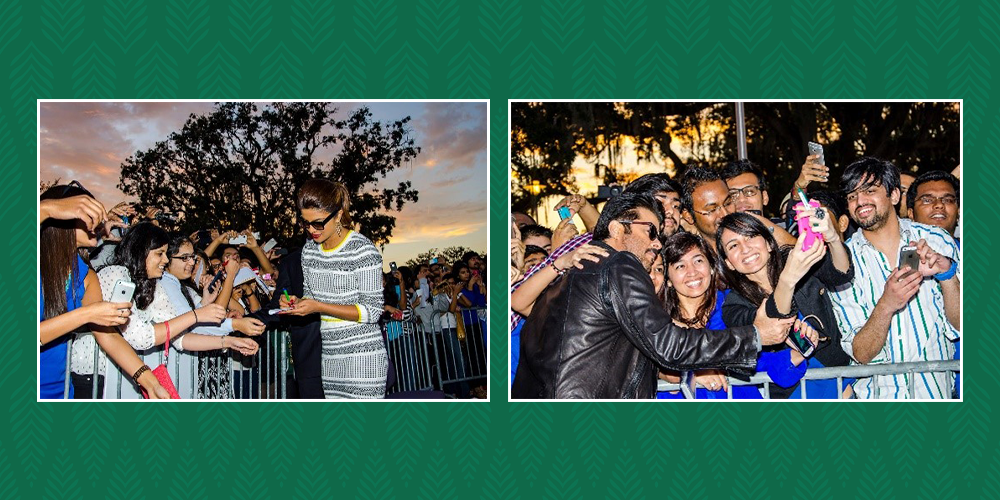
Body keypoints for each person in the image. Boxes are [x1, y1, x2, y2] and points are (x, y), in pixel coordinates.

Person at [511, 192, 794, 399]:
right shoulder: (619, 264)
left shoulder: (579, 274)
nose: (657, 242)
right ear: (617, 229)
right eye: (650, 231)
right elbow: (668, 347)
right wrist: (756, 335)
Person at [830, 158, 960, 399]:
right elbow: (861, 353)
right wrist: (886, 305)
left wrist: (947, 274)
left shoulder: (937, 240)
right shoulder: (841, 263)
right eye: (851, 196)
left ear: (894, 196)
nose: (860, 202)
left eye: (870, 191)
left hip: (935, 395)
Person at [93, 223, 258, 399]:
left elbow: (181, 338)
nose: (165, 260)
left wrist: (228, 342)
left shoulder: (154, 286)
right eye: (160, 254)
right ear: (140, 251)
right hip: (107, 378)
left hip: (142, 381)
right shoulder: (115, 274)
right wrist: (196, 316)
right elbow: (142, 337)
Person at [39, 183, 170, 399]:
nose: (98, 222)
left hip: (60, 392)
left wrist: (149, 380)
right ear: (62, 214)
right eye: (87, 212)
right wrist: (44, 209)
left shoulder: (85, 274)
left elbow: (107, 336)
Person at [264, 179, 387, 399]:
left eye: (318, 223)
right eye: (305, 223)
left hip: (364, 360)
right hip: (330, 358)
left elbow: (373, 311)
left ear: (338, 215)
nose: (311, 230)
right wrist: (295, 301)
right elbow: (311, 296)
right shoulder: (309, 251)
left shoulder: (362, 250)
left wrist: (318, 306)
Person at [656, 232, 813, 399]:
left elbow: (756, 359)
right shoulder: (656, 321)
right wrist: (688, 372)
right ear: (668, 280)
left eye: (698, 261)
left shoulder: (733, 307)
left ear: (711, 267)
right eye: (680, 266)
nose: (692, 272)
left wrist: (795, 354)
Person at [716, 212, 851, 399]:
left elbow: (840, 273)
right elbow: (768, 322)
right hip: (792, 398)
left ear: (769, 243)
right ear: (728, 263)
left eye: (751, 236)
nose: (745, 248)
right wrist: (788, 278)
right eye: (733, 246)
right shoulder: (733, 305)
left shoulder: (794, 260)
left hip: (839, 384)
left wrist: (834, 239)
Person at [162, 235, 266, 398]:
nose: (191, 263)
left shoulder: (183, 287)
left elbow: (199, 320)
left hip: (205, 363)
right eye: (185, 258)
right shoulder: (166, 283)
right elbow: (188, 329)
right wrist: (234, 325)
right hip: (187, 368)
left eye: (193, 258)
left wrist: (207, 303)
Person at [721, 159, 796, 246]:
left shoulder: (786, 227)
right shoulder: (722, 241)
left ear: (764, 198)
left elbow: (805, 251)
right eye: (733, 194)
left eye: (749, 191)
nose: (741, 199)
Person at [679, 165, 735, 253]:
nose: (725, 214)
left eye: (728, 203)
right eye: (712, 210)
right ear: (689, 216)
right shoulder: (691, 263)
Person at [906, 170, 960, 239]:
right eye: (928, 200)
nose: (939, 205)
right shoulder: (896, 248)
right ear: (911, 213)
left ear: (958, 211)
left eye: (947, 200)